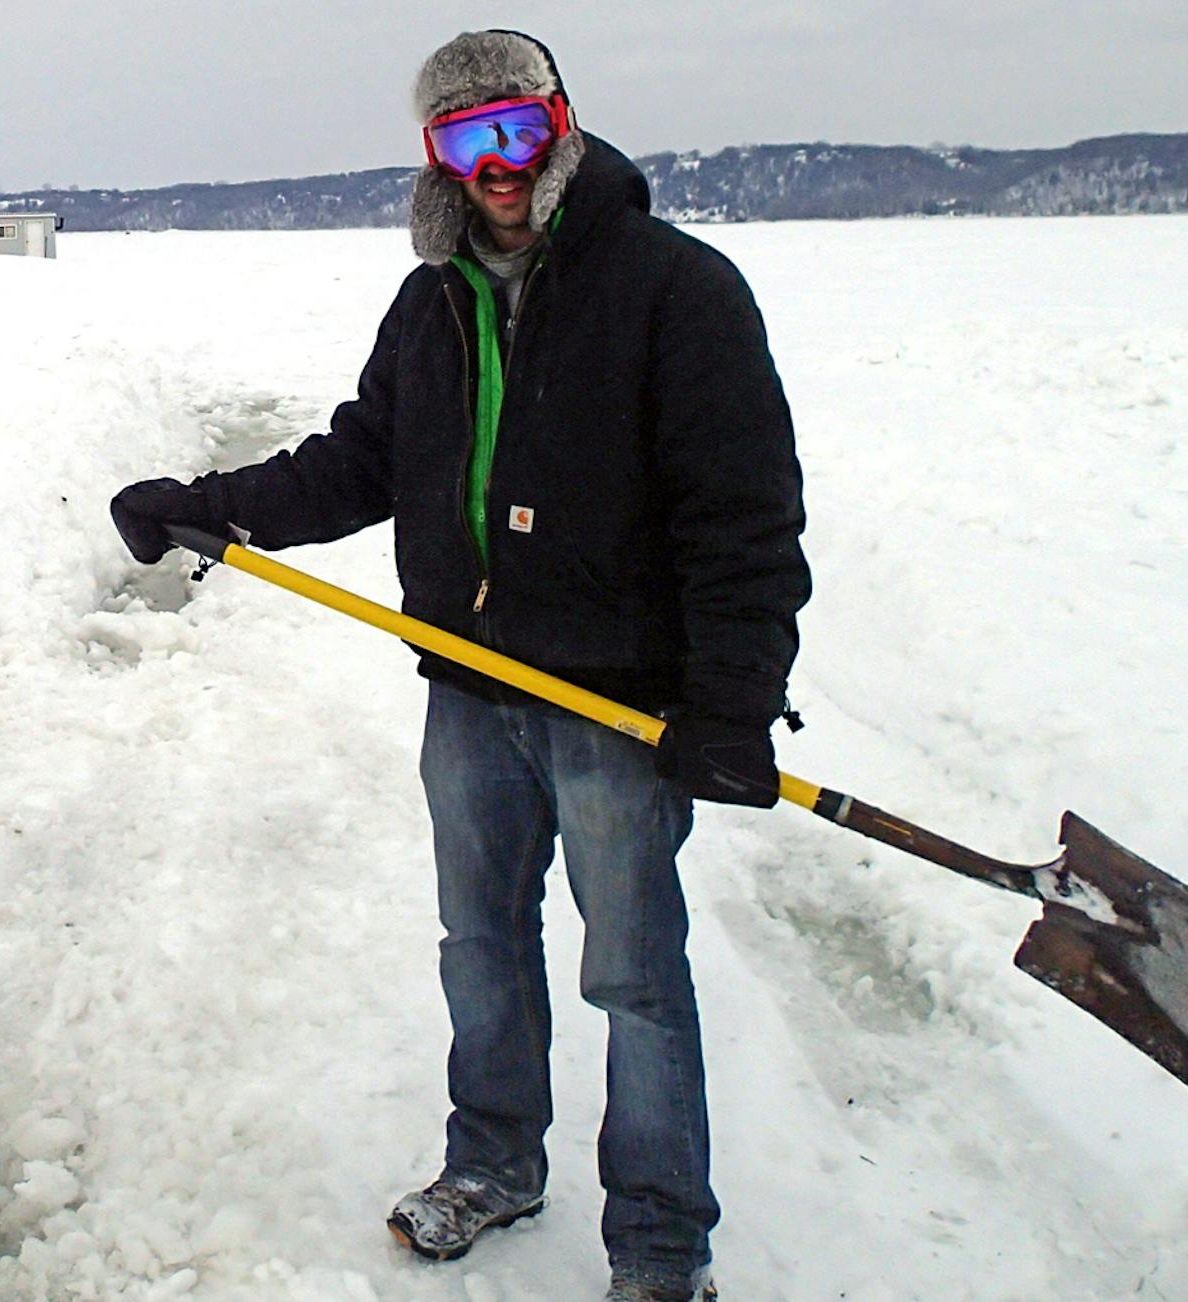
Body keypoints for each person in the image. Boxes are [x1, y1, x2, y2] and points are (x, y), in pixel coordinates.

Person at [110, 29, 807, 1302]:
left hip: (614, 707)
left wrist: (735, 702)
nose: (497, 165)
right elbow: (365, 456)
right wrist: (208, 503)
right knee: (480, 945)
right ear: (436, 157)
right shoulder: (431, 302)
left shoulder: (675, 289)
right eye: (463, 140)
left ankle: (660, 1245)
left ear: (562, 121)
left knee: (634, 977)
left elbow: (744, 519)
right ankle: (494, 1162)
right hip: (469, 688)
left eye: (516, 130)